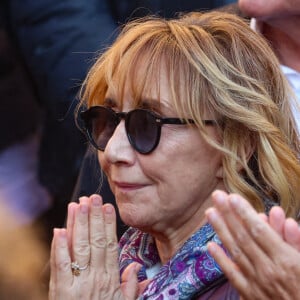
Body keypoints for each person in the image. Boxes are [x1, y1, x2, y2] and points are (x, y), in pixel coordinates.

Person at [49, 11, 300, 299]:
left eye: (147, 124)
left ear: (236, 144)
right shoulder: (105, 276)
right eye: (108, 119)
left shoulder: (269, 286)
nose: (113, 152)